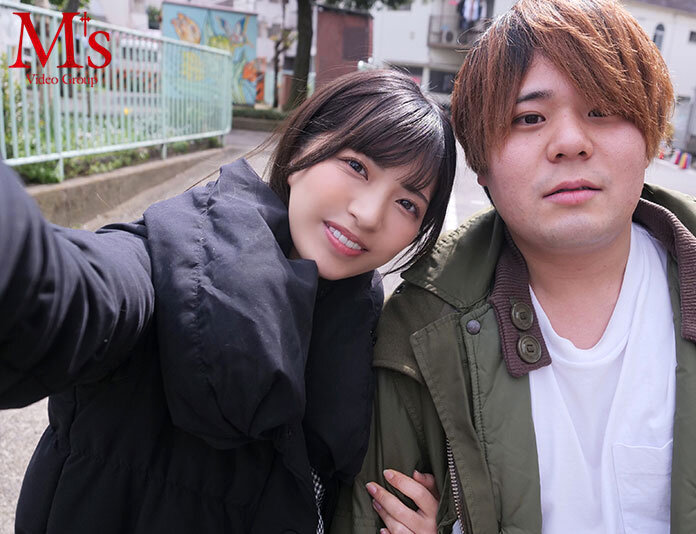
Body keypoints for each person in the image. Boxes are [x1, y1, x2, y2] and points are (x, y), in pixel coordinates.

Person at [331, 1, 696, 533]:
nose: (571, 143)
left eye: (602, 110)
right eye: (529, 118)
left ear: (648, 136)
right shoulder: (420, 329)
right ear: (481, 164)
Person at [0, 69, 456, 533]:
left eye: (407, 204)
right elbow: (65, 294)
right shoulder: (165, 264)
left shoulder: (368, 330)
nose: (369, 214)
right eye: (356, 166)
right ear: (302, 149)